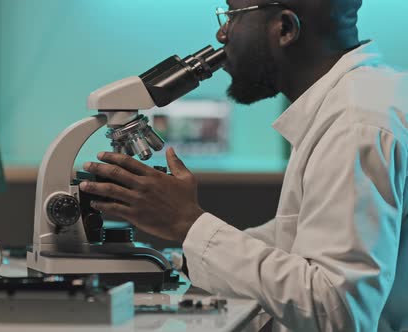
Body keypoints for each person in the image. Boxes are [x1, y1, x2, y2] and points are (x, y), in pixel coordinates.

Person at [79, 0, 408, 330]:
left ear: (285, 29)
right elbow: (294, 242)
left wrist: (188, 223)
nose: (222, 34)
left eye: (232, 16)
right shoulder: (365, 97)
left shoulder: (354, 125)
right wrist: (177, 260)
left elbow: (335, 311)